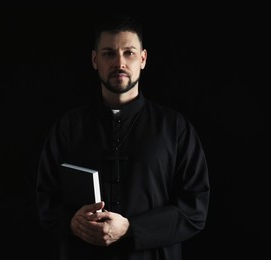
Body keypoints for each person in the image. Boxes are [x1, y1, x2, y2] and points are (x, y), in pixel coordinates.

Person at [36, 12, 210, 260]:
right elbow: (45, 200)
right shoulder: (68, 126)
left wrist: (131, 229)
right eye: (109, 53)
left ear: (143, 58)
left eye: (128, 52)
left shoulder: (175, 128)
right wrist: (71, 223)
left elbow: (195, 209)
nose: (120, 63)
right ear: (95, 60)